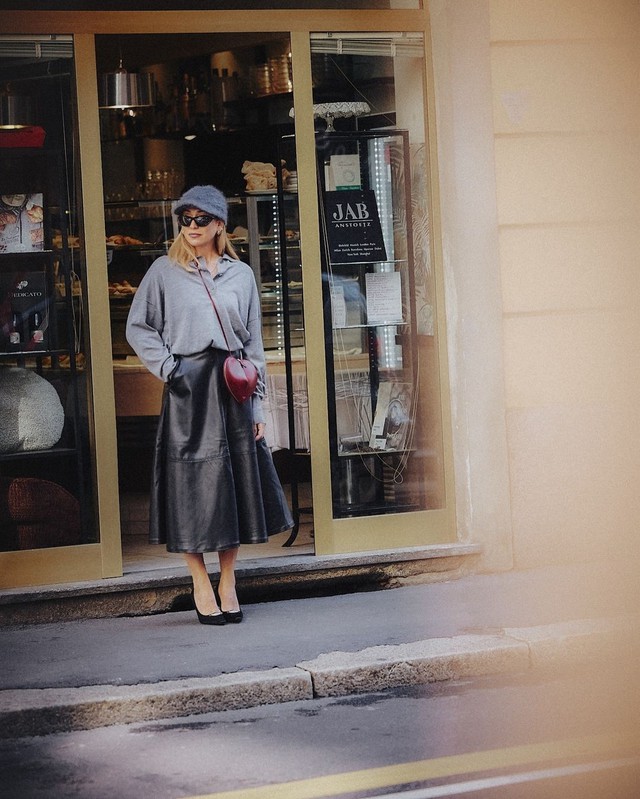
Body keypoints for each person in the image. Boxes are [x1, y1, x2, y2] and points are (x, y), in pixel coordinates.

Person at [126, 184, 293, 625]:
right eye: (186, 219)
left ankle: (228, 580)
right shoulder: (164, 271)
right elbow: (138, 326)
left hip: (232, 386)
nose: (193, 227)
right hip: (188, 386)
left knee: (232, 485)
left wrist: (257, 407)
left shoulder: (241, 275)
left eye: (202, 220)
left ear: (220, 224)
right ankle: (199, 581)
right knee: (190, 485)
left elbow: (254, 346)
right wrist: (169, 368)